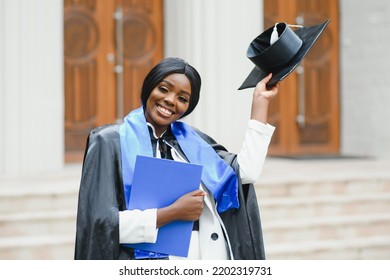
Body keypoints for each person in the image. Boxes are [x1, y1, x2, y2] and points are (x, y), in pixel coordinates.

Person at [74, 57, 279, 260]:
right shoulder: (110, 142)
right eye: (164, 89)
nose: (171, 100)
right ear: (149, 88)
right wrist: (172, 213)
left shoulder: (195, 144)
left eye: (183, 98)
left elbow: (247, 172)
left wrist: (261, 103)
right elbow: (99, 225)